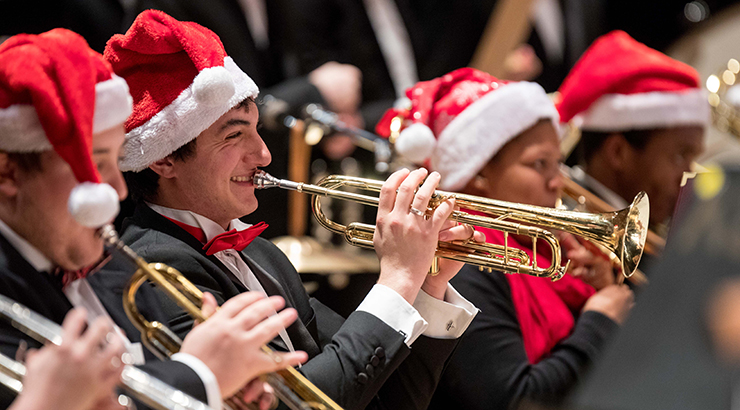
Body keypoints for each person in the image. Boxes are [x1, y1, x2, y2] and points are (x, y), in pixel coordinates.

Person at [99, 10, 478, 410]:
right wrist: (398, 278)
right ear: (163, 160)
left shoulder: (263, 253)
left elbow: (383, 399)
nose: (263, 154)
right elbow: (302, 403)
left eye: (257, 130)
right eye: (234, 135)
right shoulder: (152, 268)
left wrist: (425, 286)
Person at [0, 28, 305, 410]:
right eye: (94, 164)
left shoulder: (120, 272)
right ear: (8, 175)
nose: (118, 189)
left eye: (114, 162)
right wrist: (201, 375)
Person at [376, 67, 634, 409]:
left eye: (558, 164)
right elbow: (515, 399)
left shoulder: (550, 248)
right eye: (540, 164)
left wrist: (598, 291)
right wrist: (599, 323)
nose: (557, 183)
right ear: (479, 172)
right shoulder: (464, 263)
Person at [556, 30, 709, 231]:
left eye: (693, 159)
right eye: (680, 156)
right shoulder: (565, 229)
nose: (689, 180)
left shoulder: (652, 229)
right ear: (617, 152)